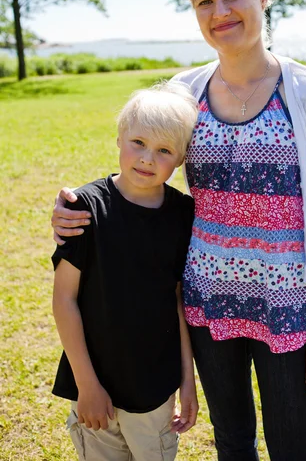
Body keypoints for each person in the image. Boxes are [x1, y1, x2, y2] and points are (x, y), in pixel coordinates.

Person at [52, 0, 306, 461]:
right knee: (232, 443)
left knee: (292, 448)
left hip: (286, 307)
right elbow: (143, 169)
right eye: (204, 2)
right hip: (207, 303)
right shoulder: (183, 93)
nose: (220, 12)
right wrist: (79, 207)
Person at [51, 82, 199, 461]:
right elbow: (65, 300)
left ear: (181, 158)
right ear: (119, 138)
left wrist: (187, 383)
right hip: (94, 384)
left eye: (164, 150)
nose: (147, 158)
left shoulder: (184, 215)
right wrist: (87, 385)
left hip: (154, 390)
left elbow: (178, 302)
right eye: (138, 142)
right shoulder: (85, 208)